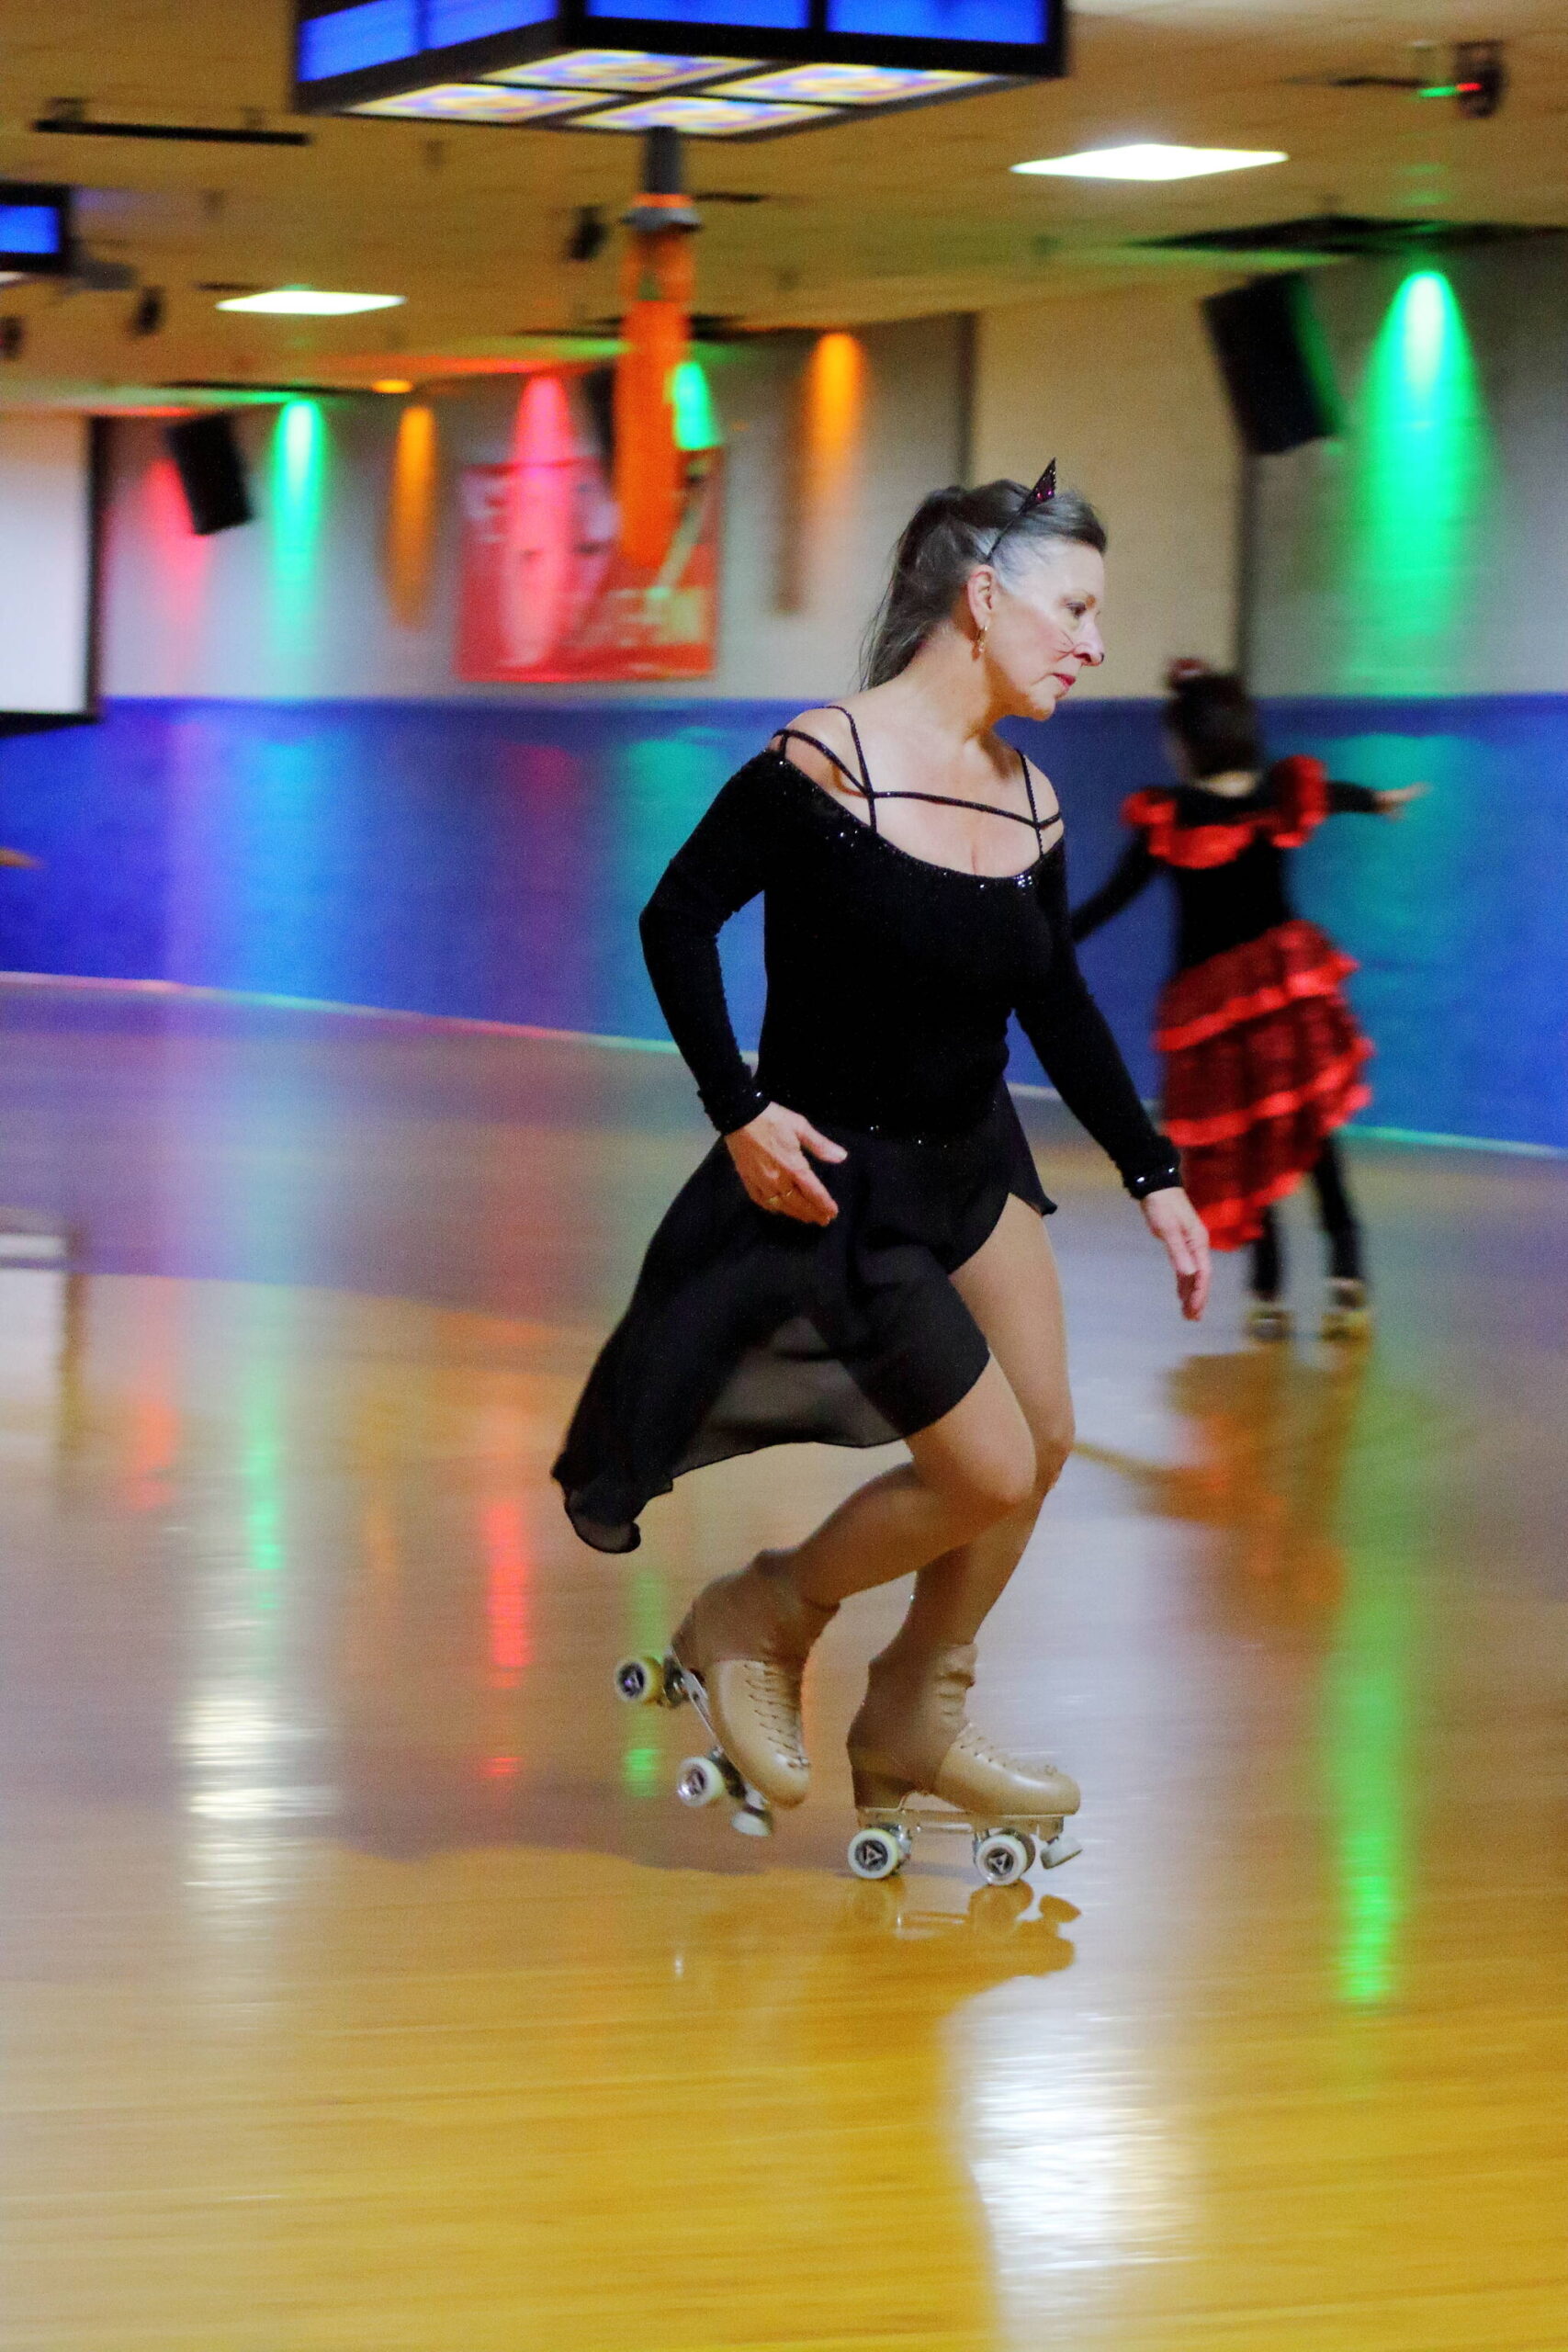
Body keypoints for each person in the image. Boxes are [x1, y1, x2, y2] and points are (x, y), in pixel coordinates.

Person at [553, 471, 1210, 1850]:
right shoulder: (824, 764)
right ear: (984, 600)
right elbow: (675, 920)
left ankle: (914, 1706)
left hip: (972, 1167)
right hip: (840, 1189)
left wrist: (1153, 1177)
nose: (1094, 643)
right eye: (1075, 608)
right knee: (974, 1470)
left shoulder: (1029, 800)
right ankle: (761, 1610)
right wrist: (735, 1109)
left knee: (1040, 1442)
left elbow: (1056, 1000)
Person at [1071, 660, 1423, 1341]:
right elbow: (1337, 796)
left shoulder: (1188, 812)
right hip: (1270, 997)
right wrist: (1378, 802)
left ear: (1188, 741)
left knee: (1256, 1144)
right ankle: (1335, 1275)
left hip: (1233, 1010)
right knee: (1304, 1136)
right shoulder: (1255, 800)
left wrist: (1057, 934)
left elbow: (1114, 898)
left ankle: (1281, 1289)